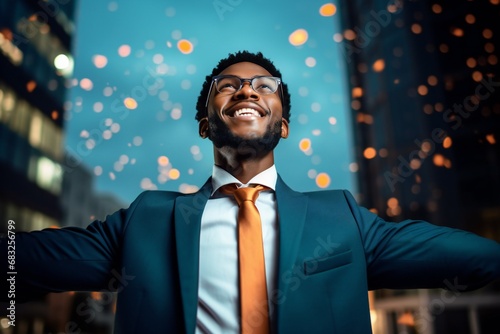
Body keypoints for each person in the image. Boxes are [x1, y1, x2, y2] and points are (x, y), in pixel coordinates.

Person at [2, 51, 500, 334]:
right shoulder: (147, 217)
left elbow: (474, 257)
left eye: (266, 86)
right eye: (228, 86)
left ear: (283, 125)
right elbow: (20, 260)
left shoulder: (342, 216)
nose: (247, 90)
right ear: (204, 124)